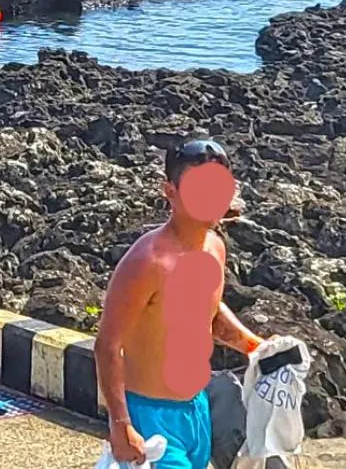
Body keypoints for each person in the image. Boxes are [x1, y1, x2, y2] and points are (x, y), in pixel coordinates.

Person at [95, 138, 262, 469]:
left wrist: (257, 346)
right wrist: (121, 425)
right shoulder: (148, 261)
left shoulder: (214, 247)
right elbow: (107, 346)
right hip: (151, 415)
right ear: (170, 191)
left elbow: (208, 313)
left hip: (197, 409)